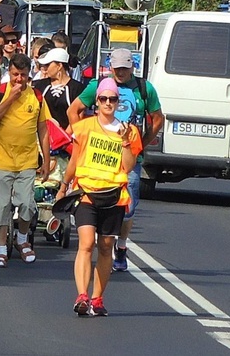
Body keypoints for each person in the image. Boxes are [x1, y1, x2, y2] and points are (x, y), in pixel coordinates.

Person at [66, 48, 164, 272]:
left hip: (129, 157)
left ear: (132, 67)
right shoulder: (98, 87)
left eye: (125, 68)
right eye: (117, 68)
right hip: (100, 159)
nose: (120, 72)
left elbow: (158, 118)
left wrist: (143, 142)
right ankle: (107, 248)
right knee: (100, 207)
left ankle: (121, 246)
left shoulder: (143, 88)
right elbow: (75, 110)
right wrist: (81, 136)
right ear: (111, 67)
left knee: (128, 208)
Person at [58, 78, 143, 316]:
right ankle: (82, 296)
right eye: (103, 98)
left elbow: (128, 166)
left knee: (105, 247)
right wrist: (64, 186)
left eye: (112, 99)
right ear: (96, 102)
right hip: (86, 192)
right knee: (85, 244)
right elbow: (74, 159)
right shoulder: (84, 127)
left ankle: (97, 299)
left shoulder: (130, 131)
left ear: (118, 102)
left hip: (114, 196)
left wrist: (126, 141)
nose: (107, 103)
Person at [0, 53, 51, 268]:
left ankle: (22, 239)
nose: (18, 79)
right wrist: (10, 98)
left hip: (27, 160)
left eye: (22, 75)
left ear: (28, 74)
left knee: (26, 204)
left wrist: (46, 161)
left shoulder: (37, 96)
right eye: (14, 74)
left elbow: (43, 129)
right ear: (8, 73)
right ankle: (2, 248)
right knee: (1, 205)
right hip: (1, 159)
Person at [32, 48, 85, 130]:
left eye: (48, 65)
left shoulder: (77, 88)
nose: (45, 69)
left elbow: (79, 116)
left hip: (67, 138)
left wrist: (64, 138)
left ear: (59, 66)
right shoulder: (39, 85)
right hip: (43, 136)